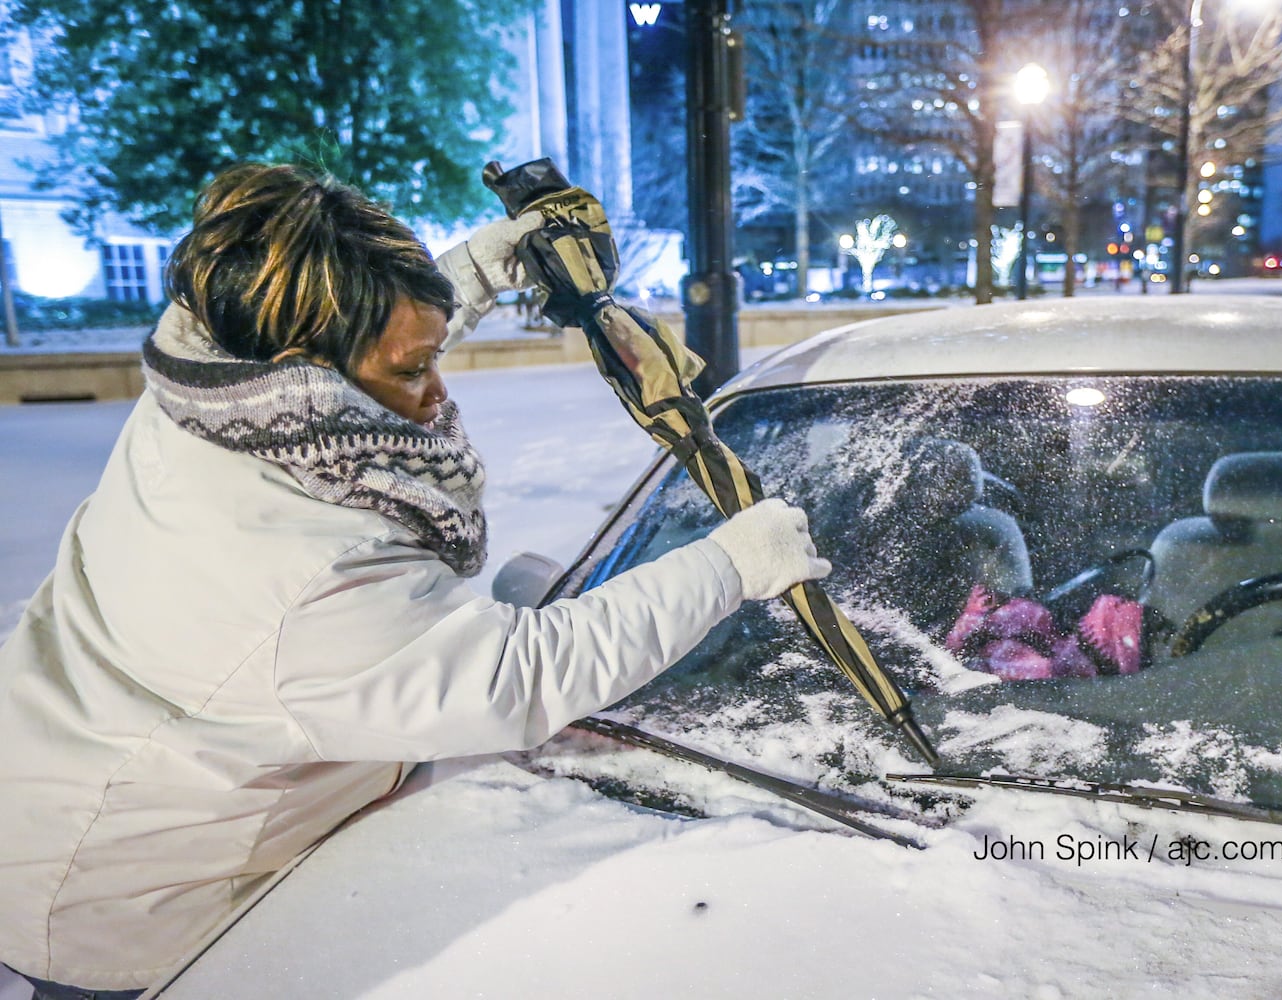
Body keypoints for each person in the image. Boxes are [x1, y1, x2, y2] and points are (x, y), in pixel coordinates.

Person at [0, 163, 830, 998]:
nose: (437, 394)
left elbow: (355, 345)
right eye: (412, 371)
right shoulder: (314, 575)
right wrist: (730, 563)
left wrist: (466, 274)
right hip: (119, 897)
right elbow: (529, 670)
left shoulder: (209, 374)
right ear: (307, 382)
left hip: (55, 780)